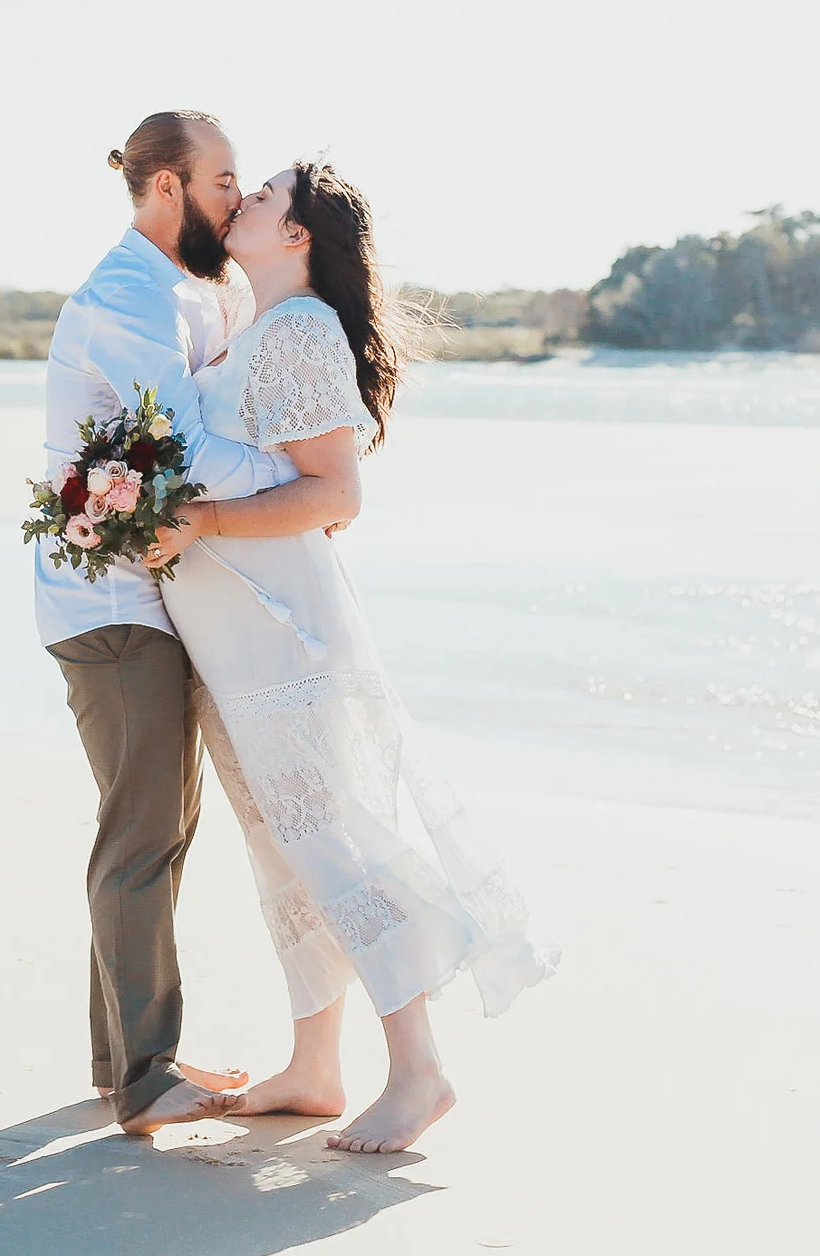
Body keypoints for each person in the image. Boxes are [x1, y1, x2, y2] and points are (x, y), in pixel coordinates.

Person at [142, 162, 556, 1153]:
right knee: (285, 856)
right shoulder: (255, 326)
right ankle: (314, 1066)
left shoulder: (300, 331)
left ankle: (418, 1072)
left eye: (262, 195)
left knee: (337, 846)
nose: (239, 200)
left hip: (286, 640)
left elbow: (334, 496)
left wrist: (194, 518)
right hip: (238, 642)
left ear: (297, 235)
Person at [37, 109, 302, 1134]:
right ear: (164, 188)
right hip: (107, 599)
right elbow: (184, 447)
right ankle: (145, 1076)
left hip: (149, 594)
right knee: (143, 828)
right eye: (222, 179)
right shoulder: (126, 295)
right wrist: (305, 479)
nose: (235, 196)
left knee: (156, 822)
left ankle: (122, 1059)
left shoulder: (189, 288)